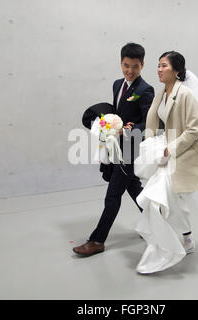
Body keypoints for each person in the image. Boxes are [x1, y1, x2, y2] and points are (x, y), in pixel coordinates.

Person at [134, 51, 198, 274]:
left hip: (185, 155)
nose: (159, 69)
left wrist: (170, 148)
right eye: (158, 65)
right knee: (166, 200)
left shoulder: (185, 95)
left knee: (164, 199)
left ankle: (170, 245)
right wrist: (148, 145)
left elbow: (195, 129)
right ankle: (176, 240)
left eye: (164, 65)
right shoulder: (162, 94)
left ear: (176, 71)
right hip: (167, 154)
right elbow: (152, 118)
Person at [73, 43, 155, 257]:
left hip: (131, 149)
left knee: (112, 196)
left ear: (142, 65)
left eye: (135, 66)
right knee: (135, 190)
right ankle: (157, 224)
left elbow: (150, 123)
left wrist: (125, 131)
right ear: (121, 63)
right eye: (126, 65)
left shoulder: (146, 90)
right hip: (116, 147)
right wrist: (106, 124)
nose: (130, 71)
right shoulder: (117, 84)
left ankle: (97, 240)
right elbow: (117, 112)